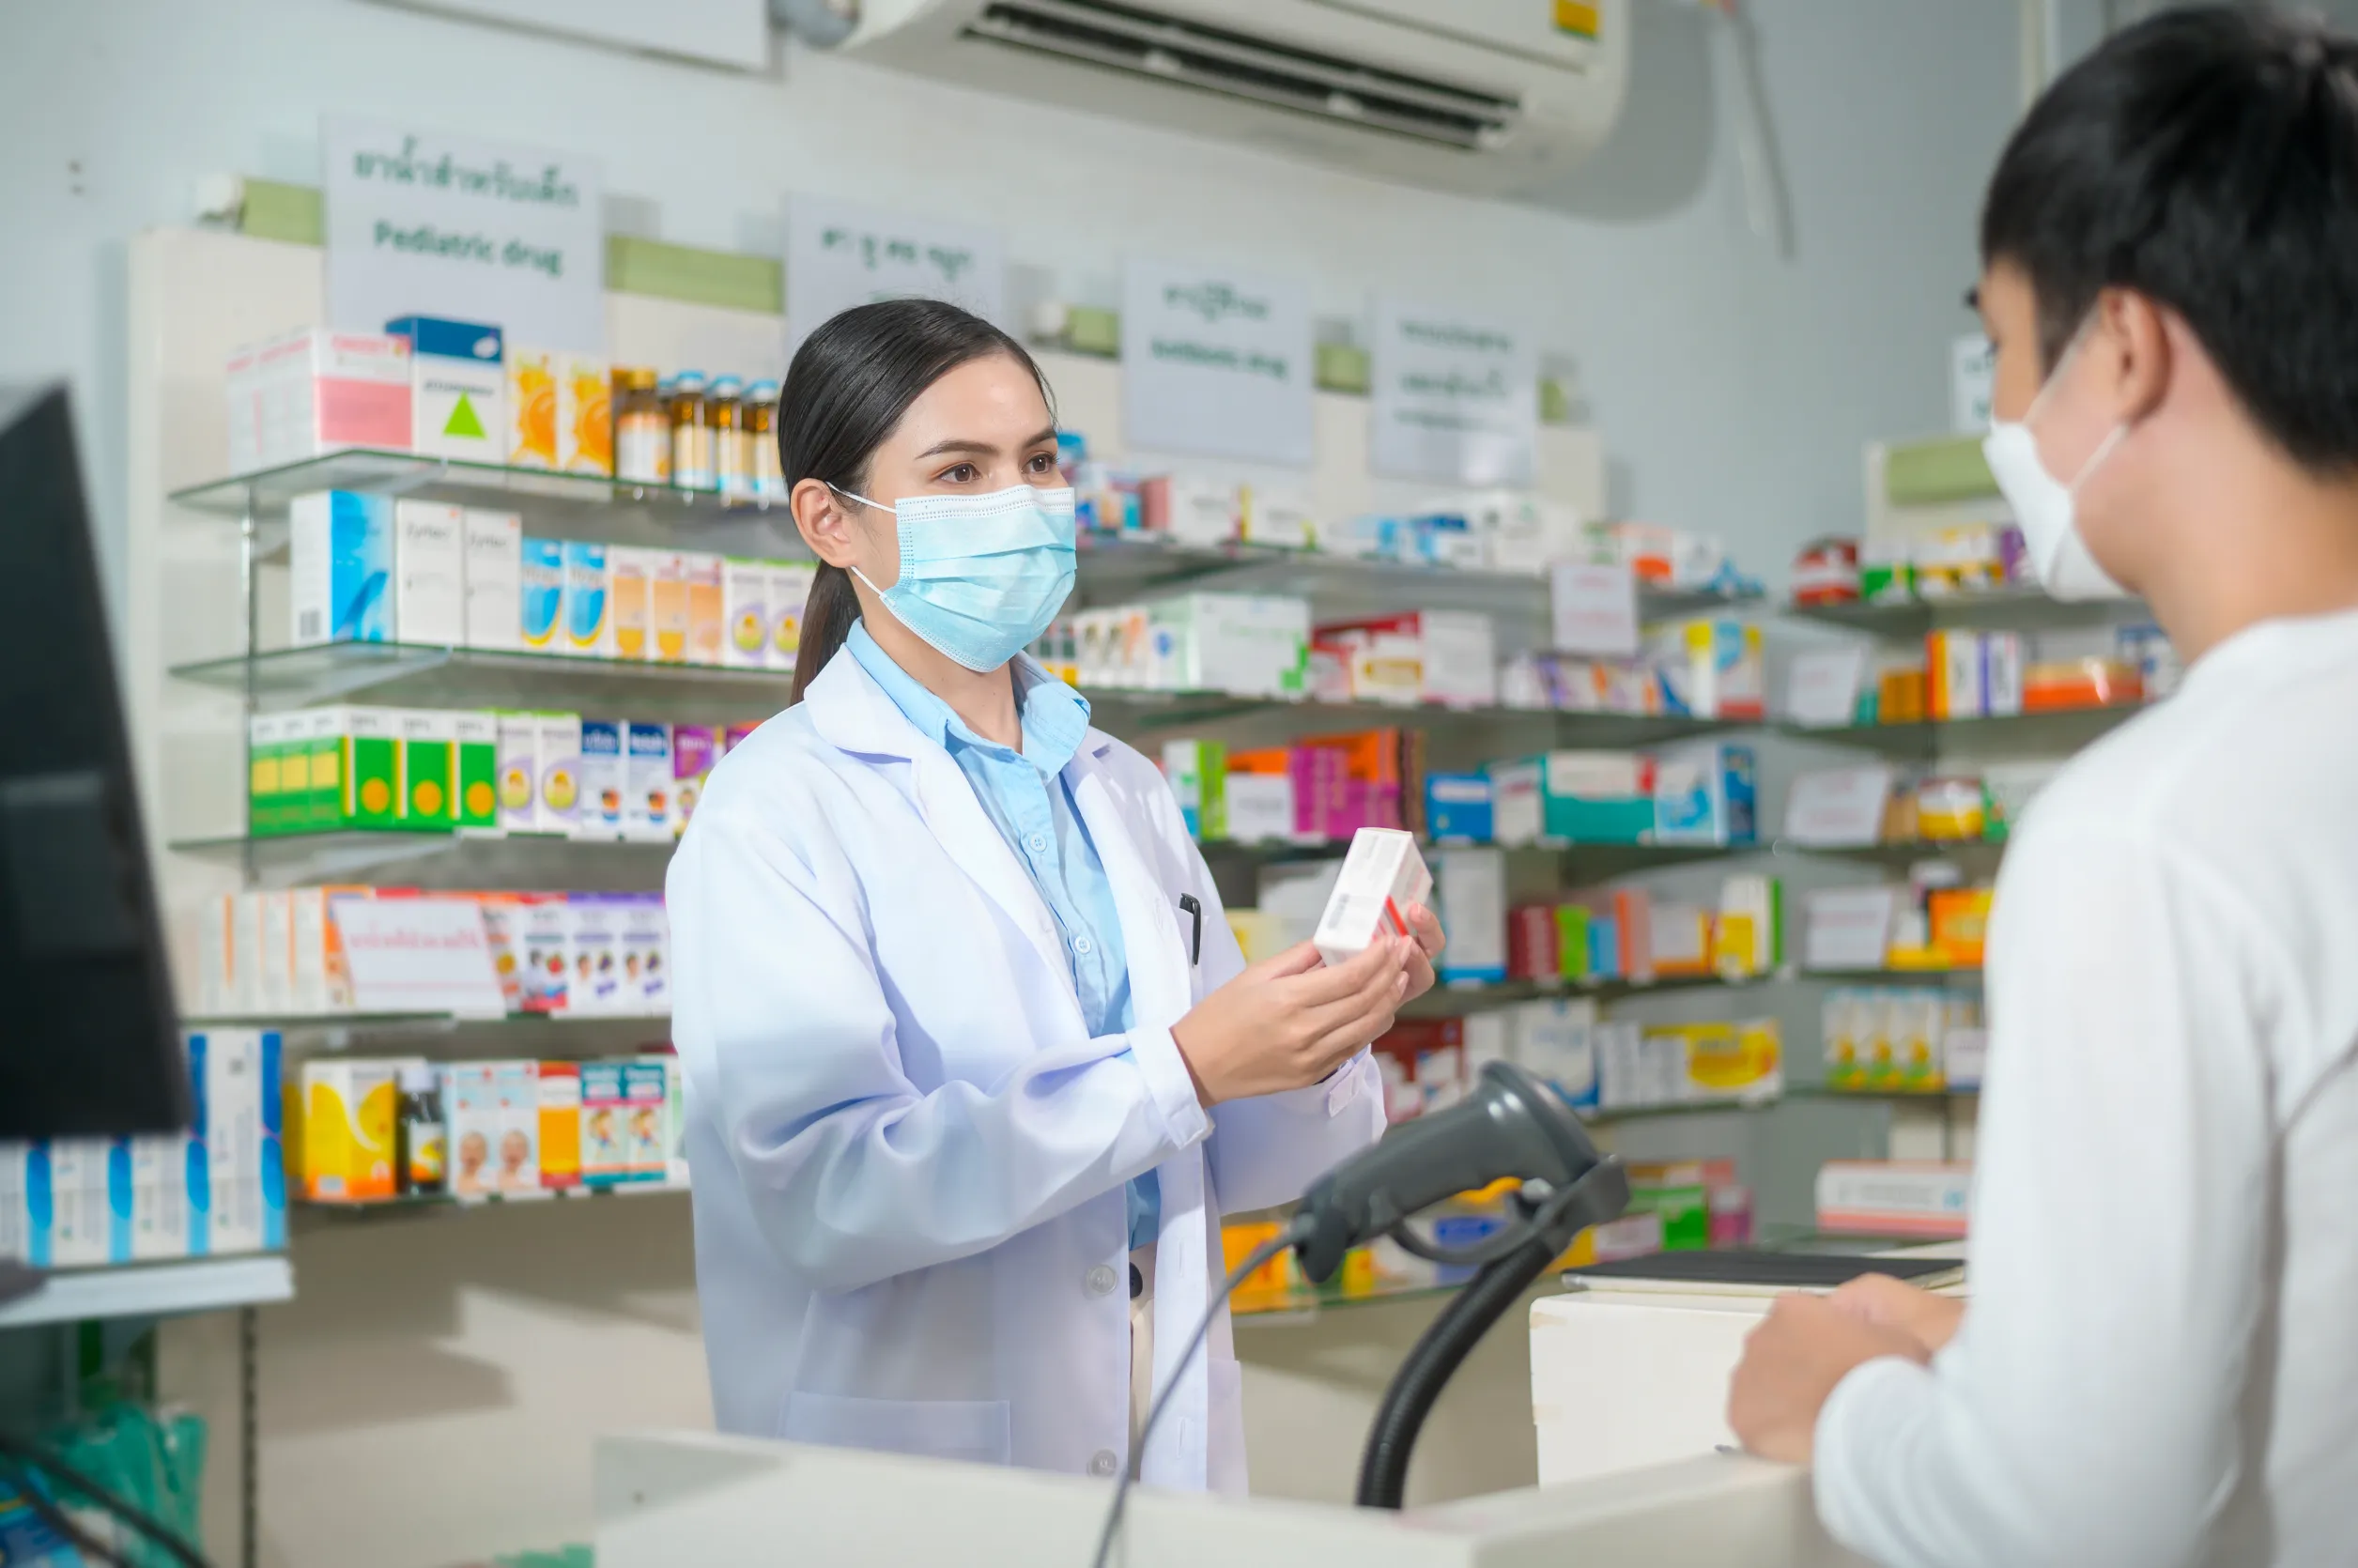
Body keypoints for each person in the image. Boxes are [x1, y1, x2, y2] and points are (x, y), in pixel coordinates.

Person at [1727, 8, 2358, 1564]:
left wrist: (1845, 1400)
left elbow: (2069, 1529)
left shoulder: (2153, 832)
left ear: (2124, 346)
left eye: (2004, 347)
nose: (2006, 415)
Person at [667, 298, 1443, 1493]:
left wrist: (1320, 1034)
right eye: (960, 470)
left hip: (1151, 1373)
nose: (1020, 501)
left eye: (1038, 461)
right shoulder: (774, 810)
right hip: (920, 1442)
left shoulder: (1119, 785)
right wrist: (1180, 1065)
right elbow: (826, 1197)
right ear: (831, 521)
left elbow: (1215, 1157)